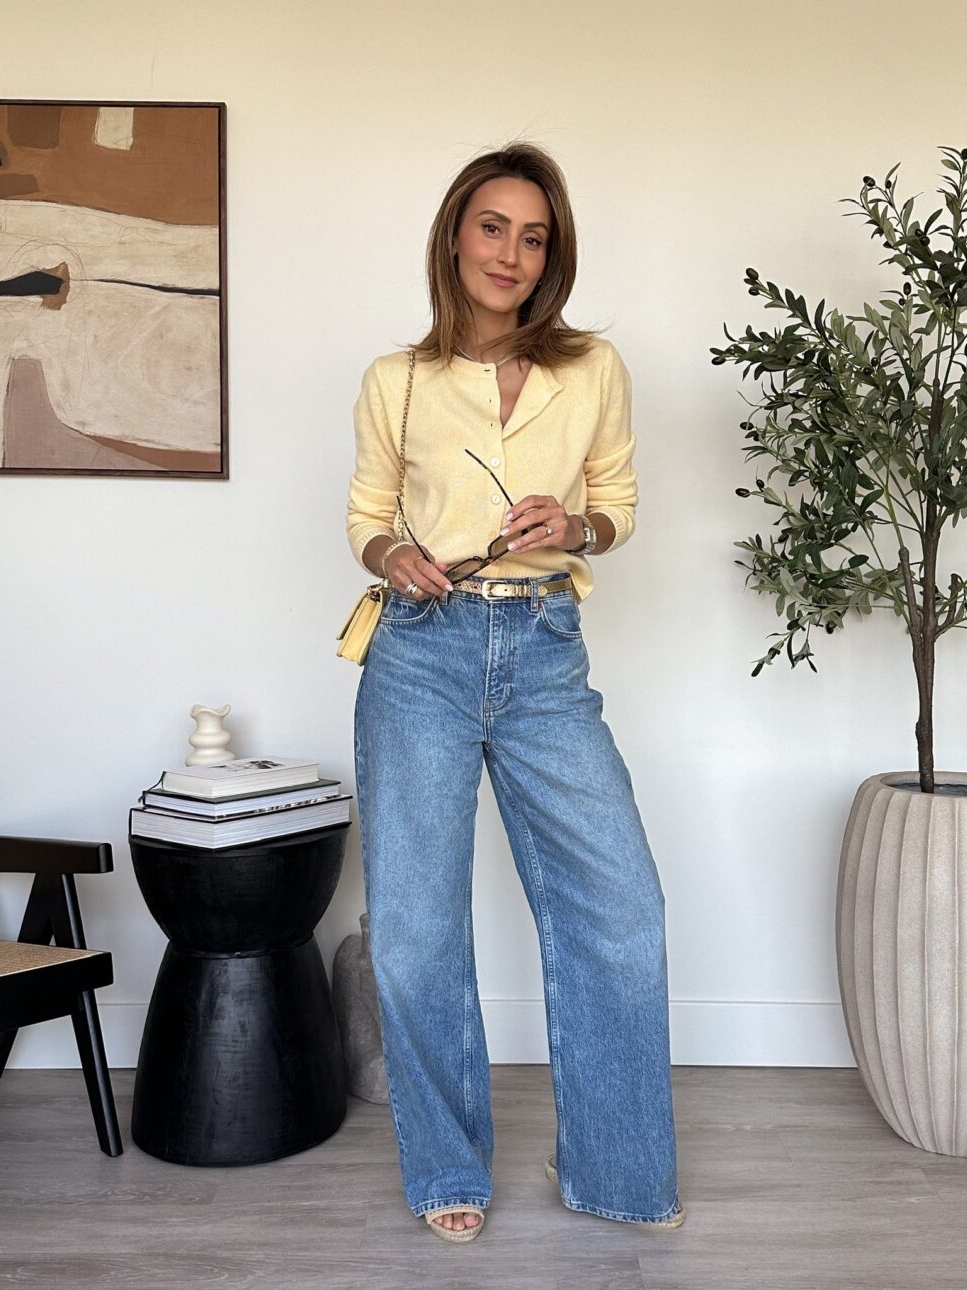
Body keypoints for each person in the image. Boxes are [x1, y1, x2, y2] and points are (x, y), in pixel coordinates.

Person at [345, 140, 682, 1243]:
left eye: (535, 236)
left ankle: (620, 1170)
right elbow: (368, 515)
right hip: (420, 654)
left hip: (543, 648)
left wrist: (575, 524)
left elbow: (619, 502)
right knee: (413, 928)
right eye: (494, 227)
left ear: (553, 256)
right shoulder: (397, 380)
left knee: (619, 909)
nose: (513, 253)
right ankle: (447, 1163)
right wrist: (392, 555)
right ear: (456, 235)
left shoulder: (593, 371)